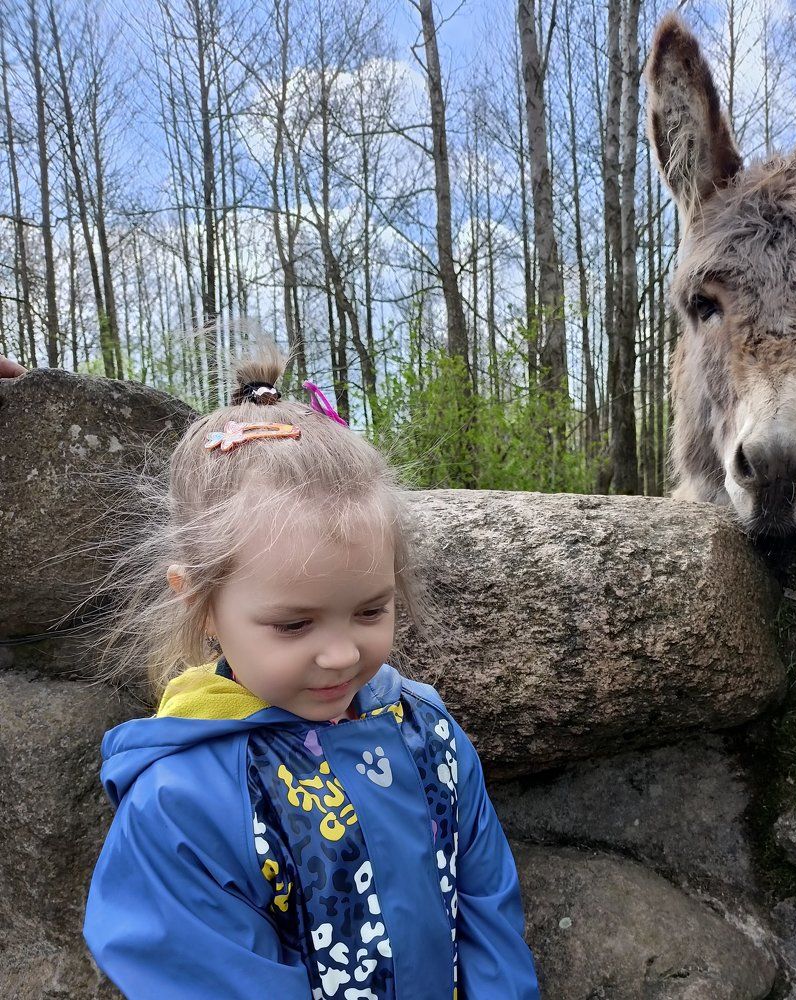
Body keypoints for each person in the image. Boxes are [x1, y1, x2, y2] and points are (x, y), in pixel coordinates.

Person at [83, 344, 539, 999]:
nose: (341, 655)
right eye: (295, 625)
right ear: (200, 604)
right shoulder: (181, 805)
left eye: (370, 610)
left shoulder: (427, 733)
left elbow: (488, 911)